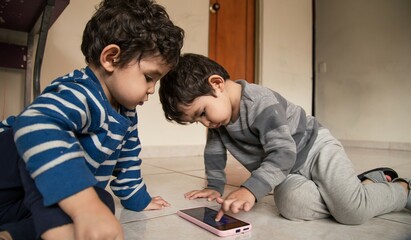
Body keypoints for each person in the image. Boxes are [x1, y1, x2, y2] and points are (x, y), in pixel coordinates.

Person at [0, 0, 184, 239]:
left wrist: (138, 200)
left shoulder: (127, 115)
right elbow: (36, 124)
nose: (152, 89)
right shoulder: (79, 91)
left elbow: (128, 161)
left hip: (12, 208)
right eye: (149, 77)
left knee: (102, 201)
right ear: (111, 58)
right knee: (37, 140)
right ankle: (58, 225)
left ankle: (6, 235)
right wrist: (84, 205)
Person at [158, 53, 410, 225]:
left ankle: (402, 189)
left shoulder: (259, 102)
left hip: (315, 150)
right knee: (289, 204)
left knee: (353, 213)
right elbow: (214, 152)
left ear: (217, 84)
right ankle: (360, 187)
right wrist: (214, 186)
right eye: (196, 121)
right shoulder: (218, 120)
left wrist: (250, 189)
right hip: (287, 171)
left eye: (202, 113)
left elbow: (282, 152)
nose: (205, 123)